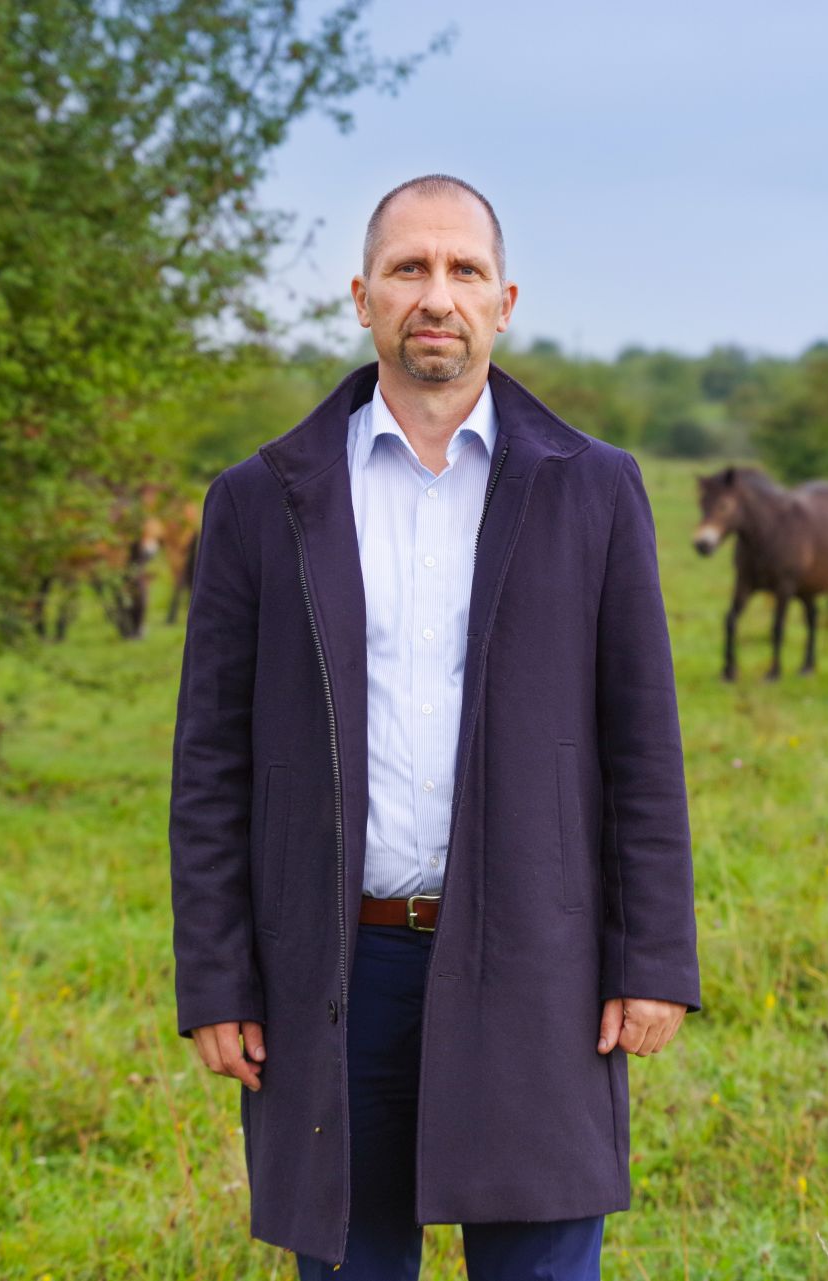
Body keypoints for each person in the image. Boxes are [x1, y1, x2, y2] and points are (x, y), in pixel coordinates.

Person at [168, 173, 701, 1279]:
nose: (436, 295)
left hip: (537, 962)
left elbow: (640, 744)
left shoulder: (595, 490)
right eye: (409, 269)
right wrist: (218, 975)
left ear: (505, 301)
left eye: (462, 271)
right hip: (333, 967)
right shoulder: (259, 500)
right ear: (363, 295)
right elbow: (210, 765)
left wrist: (651, 958)